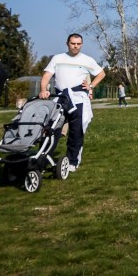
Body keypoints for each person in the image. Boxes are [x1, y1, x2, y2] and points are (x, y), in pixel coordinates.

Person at [40, 34, 105, 173]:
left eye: (78, 44)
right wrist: (43, 89)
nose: (75, 46)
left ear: (81, 44)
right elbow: (46, 75)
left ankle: (72, 161)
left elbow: (101, 74)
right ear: (67, 43)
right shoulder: (58, 58)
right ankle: (44, 158)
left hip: (78, 99)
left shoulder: (87, 59)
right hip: (59, 98)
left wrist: (91, 86)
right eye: (73, 43)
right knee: (51, 129)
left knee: (76, 131)